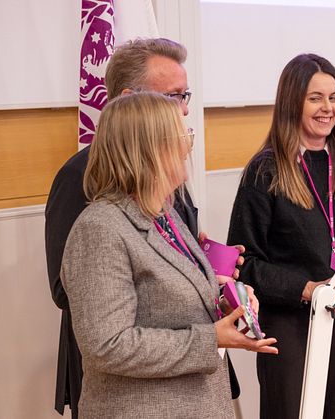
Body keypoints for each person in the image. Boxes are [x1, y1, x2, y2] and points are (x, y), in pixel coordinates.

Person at [44, 38, 242, 418]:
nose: (184, 114)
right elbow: (92, 317)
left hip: (193, 395)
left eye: (185, 97)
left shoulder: (163, 203)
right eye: (172, 100)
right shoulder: (92, 207)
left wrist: (219, 284)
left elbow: (170, 270)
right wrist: (204, 338)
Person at [60, 92, 278, 418]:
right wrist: (209, 340)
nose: (188, 144)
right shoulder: (100, 229)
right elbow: (107, 346)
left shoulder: (163, 212)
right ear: (149, 149)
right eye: (182, 134)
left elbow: (167, 301)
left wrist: (227, 298)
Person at [227, 53, 335, 418]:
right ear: (291, 103)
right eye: (315, 98)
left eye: (333, 98)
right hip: (289, 329)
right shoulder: (265, 170)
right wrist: (309, 289)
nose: (327, 108)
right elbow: (245, 264)